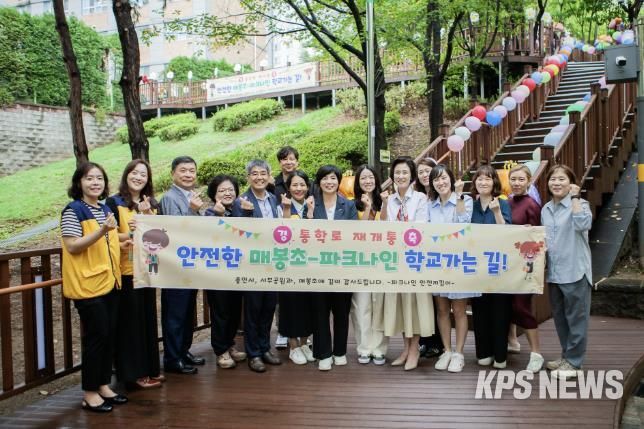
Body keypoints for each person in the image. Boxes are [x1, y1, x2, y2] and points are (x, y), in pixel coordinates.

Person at [60, 162, 127, 412]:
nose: (95, 183)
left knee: (108, 335)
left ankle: (102, 384)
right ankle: (89, 392)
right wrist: (102, 231)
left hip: (110, 282)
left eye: (99, 178)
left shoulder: (103, 208)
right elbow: (73, 246)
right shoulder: (73, 210)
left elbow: (108, 239)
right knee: (96, 338)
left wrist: (121, 241)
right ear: (79, 183)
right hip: (88, 286)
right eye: (89, 178)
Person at [105, 160, 163, 389]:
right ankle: (133, 375)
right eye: (135, 173)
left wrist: (148, 215)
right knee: (130, 324)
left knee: (147, 320)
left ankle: (150, 369)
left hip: (148, 269)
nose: (138, 177)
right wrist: (131, 232)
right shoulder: (114, 202)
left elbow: (160, 235)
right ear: (126, 175)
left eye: (143, 174)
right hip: (126, 271)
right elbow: (108, 234)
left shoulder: (152, 203)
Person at [376, 156, 434, 371]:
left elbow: (419, 227)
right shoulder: (389, 199)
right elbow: (383, 226)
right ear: (392, 176)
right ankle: (406, 348)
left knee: (414, 304)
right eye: (397, 173)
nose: (400, 176)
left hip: (414, 259)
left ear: (412, 177)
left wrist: (399, 231)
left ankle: (414, 349)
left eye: (404, 173)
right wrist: (384, 204)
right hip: (395, 259)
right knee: (401, 304)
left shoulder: (420, 198)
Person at [542, 165, 592, 380]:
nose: (556, 183)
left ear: (571, 182)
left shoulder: (580, 204)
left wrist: (575, 198)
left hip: (575, 271)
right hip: (555, 272)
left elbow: (584, 224)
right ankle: (567, 356)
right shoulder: (546, 209)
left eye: (562, 179)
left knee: (576, 320)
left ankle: (574, 362)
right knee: (561, 319)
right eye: (553, 179)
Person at [159, 156, 206, 375]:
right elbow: (175, 231)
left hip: (190, 265)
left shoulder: (191, 196)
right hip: (175, 268)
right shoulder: (170, 197)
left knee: (187, 313)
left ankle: (183, 351)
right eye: (183, 170)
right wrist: (193, 210)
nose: (188, 174)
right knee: (175, 315)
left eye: (191, 171)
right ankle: (172, 358)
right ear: (173, 174)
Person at [235, 159, 283, 373]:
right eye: (254, 174)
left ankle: (265, 348)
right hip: (252, 263)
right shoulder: (241, 201)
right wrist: (246, 213)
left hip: (272, 261)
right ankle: (253, 353)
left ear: (269, 176)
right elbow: (237, 231)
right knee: (253, 310)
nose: (259, 177)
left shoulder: (273, 198)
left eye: (263, 173)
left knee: (268, 307)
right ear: (248, 177)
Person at [426, 164, 474, 373]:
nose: (441, 182)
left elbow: (464, 223)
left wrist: (460, 196)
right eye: (436, 179)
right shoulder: (430, 205)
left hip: (459, 262)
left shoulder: (465, 200)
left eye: (444, 178)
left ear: (451, 179)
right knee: (442, 310)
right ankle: (446, 350)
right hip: (437, 262)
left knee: (460, 310)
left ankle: (459, 353)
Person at [310, 165, 358, 371]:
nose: (329, 182)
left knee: (341, 311)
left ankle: (340, 351)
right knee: (320, 311)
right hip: (318, 266)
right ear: (318, 182)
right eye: (325, 178)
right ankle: (323, 353)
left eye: (333, 178)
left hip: (342, 266)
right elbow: (304, 234)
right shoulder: (311, 203)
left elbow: (354, 234)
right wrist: (309, 213)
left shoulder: (348, 205)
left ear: (339, 181)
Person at [203, 175, 249, 369]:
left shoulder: (239, 209)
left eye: (231, 190)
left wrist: (248, 213)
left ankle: (230, 344)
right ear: (214, 194)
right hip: (217, 272)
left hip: (236, 270)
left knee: (233, 310)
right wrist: (219, 217)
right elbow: (211, 238)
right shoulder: (209, 213)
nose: (227, 193)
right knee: (220, 312)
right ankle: (220, 350)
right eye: (222, 190)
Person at [470, 164, 513, 369]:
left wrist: (496, 212)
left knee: (500, 311)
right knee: (480, 310)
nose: (483, 182)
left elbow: (507, 233)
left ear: (494, 182)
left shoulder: (502, 203)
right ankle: (483, 352)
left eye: (487, 178)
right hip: (476, 266)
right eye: (479, 178)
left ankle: (500, 355)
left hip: (498, 266)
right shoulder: (471, 205)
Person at [507, 164, 544, 373]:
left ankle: (536, 353)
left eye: (521, 179)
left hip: (526, 264)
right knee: (510, 305)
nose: (517, 183)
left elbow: (538, 238)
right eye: (513, 179)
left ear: (529, 181)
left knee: (522, 307)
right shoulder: (508, 202)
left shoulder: (532, 205)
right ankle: (512, 342)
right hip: (509, 264)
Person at [350, 165, 388, 365]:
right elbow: (359, 232)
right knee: (361, 306)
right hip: (360, 261)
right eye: (363, 178)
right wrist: (366, 208)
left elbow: (388, 226)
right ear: (358, 182)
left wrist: (385, 204)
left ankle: (379, 348)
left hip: (382, 260)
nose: (367, 181)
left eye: (371, 177)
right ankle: (364, 348)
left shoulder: (385, 200)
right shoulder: (352, 204)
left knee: (380, 306)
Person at [279, 170, 316, 365]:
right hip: (288, 264)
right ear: (288, 187)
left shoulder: (312, 205)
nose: (299, 188)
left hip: (309, 264)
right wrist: (286, 209)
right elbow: (282, 234)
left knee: (308, 304)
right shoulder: (281, 206)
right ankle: (293, 346)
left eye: (302, 185)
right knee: (290, 304)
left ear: (308, 187)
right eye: (295, 185)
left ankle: (304, 343)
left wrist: (310, 214)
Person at [270, 146, 300, 350]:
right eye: (284, 159)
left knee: (300, 291)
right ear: (279, 162)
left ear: (297, 161)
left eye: (292, 159)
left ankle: (302, 330)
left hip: (301, 243)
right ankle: (282, 330)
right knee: (281, 290)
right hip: (279, 241)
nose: (288, 162)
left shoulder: (304, 181)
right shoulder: (273, 184)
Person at [414, 157, 444, 359]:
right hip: (419, 255)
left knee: (437, 302)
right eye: (421, 172)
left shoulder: (440, 194)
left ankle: (438, 344)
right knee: (423, 301)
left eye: (428, 171)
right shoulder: (417, 196)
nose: (425, 175)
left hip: (437, 255)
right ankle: (425, 342)